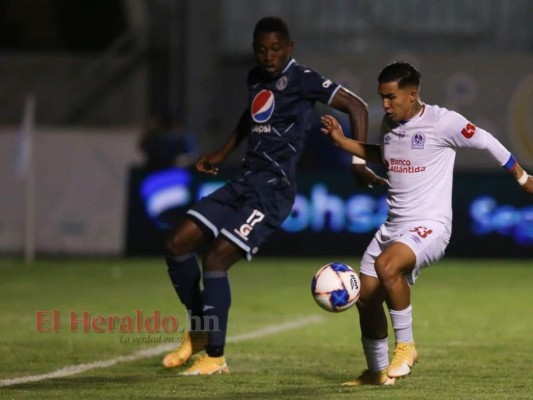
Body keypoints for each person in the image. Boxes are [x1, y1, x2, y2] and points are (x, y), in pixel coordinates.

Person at [161, 16, 385, 376]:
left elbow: (356, 105)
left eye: (276, 49)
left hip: (273, 192)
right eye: (262, 49)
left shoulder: (303, 79)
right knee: (177, 243)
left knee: (217, 260)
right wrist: (222, 152)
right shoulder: (255, 78)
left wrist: (357, 161)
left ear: (289, 48)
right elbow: (251, 118)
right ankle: (201, 331)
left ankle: (215, 357)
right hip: (244, 181)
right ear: (254, 50)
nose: (268, 56)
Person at [320, 61, 533, 386]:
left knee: (387, 265)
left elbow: (487, 140)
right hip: (393, 226)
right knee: (365, 297)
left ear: (412, 94)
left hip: (430, 225)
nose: (385, 104)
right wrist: (343, 141)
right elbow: (386, 154)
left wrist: (521, 178)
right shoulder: (390, 125)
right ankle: (376, 373)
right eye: (381, 97)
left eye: (390, 97)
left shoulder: (443, 122)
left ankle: (406, 347)